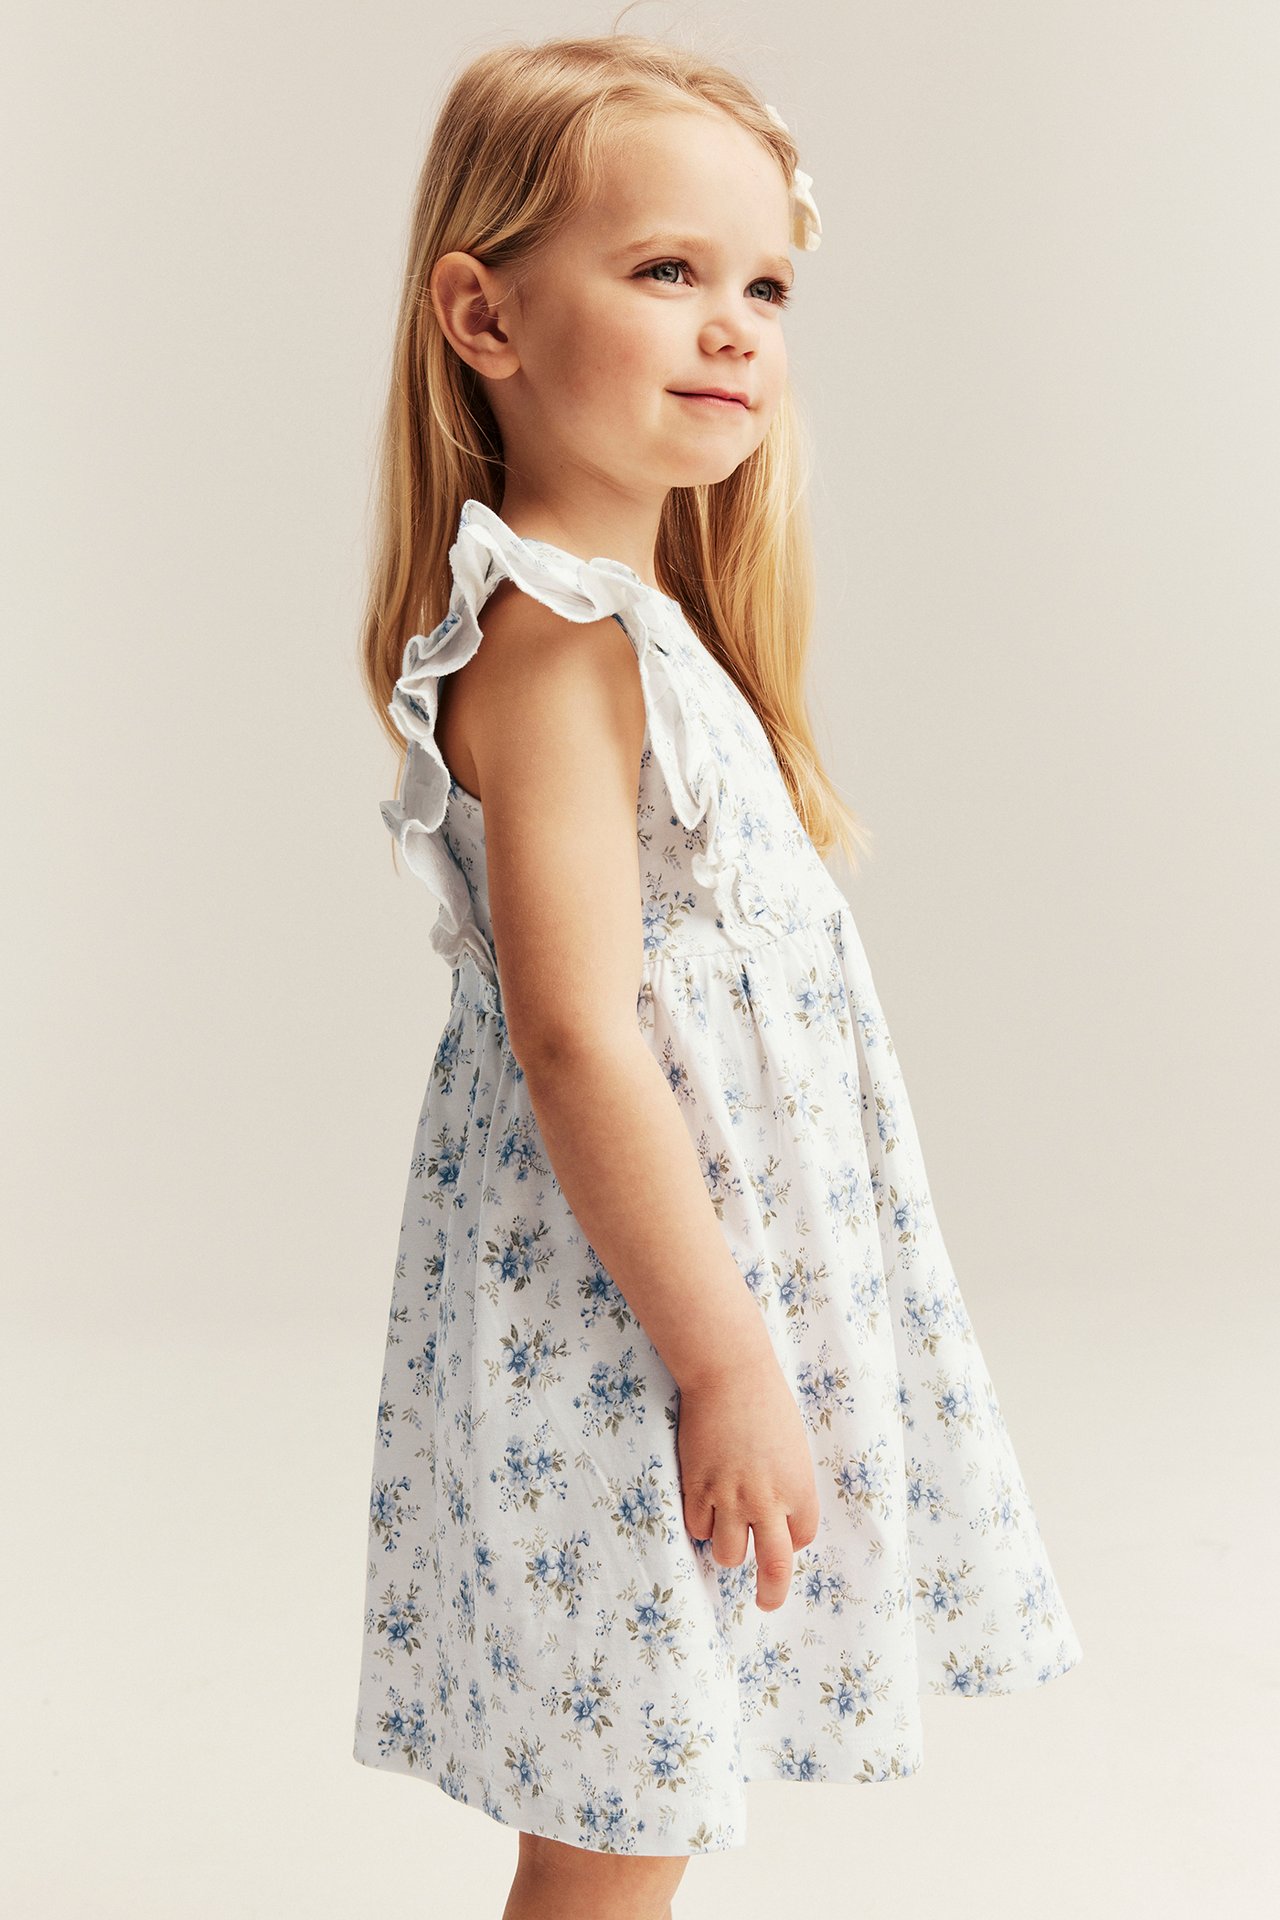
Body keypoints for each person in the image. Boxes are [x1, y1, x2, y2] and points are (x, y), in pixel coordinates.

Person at [351, 29, 1083, 1920]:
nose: (735, 326)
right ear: (483, 315)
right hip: (629, 1323)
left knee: (645, 1797)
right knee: (614, 1827)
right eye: (666, 271)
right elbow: (577, 1031)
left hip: (676, 1296)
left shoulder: (641, 630)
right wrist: (723, 1360)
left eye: (765, 282)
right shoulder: (557, 644)